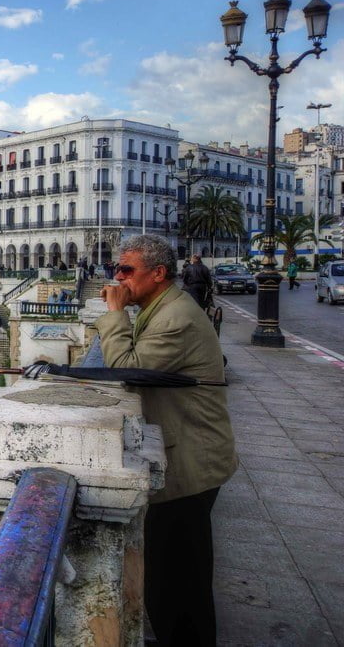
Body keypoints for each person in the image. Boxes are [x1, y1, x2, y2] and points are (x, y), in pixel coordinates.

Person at [96, 234, 236, 647]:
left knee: (178, 583)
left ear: (159, 273)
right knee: (173, 575)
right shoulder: (162, 307)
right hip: (187, 453)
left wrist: (113, 313)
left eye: (126, 270)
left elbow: (126, 366)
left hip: (191, 462)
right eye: (116, 270)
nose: (117, 277)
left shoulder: (175, 316)